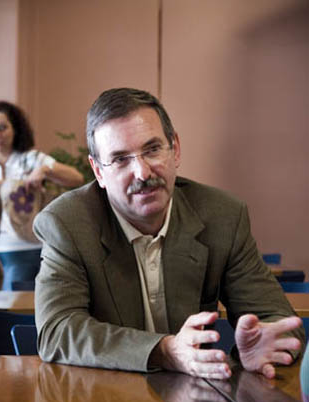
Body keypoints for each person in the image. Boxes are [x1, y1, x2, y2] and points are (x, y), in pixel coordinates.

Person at [34, 88, 305, 380]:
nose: (142, 172)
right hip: (106, 394)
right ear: (98, 171)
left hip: (194, 397)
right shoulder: (67, 223)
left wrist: (260, 342)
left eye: (152, 149)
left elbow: (280, 321)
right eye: (121, 159)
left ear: (174, 149)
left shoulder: (222, 216)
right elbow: (57, 330)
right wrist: (165, 350)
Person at [0, 101, 84, 290]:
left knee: (18, 307)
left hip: (26, 248)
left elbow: (76, 178)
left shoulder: (29, 159)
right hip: (2, 251)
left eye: (2, 127)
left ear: (15, 129)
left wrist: (45, 170)